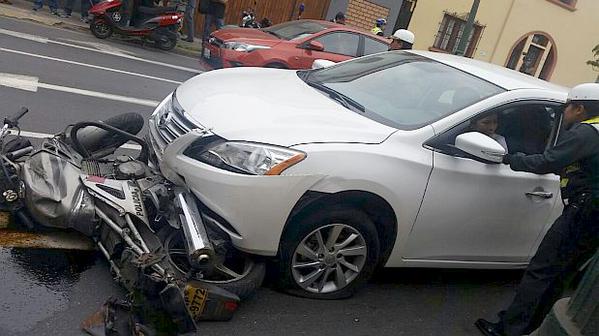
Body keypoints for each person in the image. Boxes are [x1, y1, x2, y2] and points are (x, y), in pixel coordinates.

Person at [475, 83, 599, 336]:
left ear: (579, 108)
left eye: (566, 108)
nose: (563, 114)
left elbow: (547, 161)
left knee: (542, 271)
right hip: (592, 217)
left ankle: (508, 330)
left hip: (583, 212)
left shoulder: (586, 133)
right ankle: (532, 327)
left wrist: (510, 158)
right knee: (560, 275)